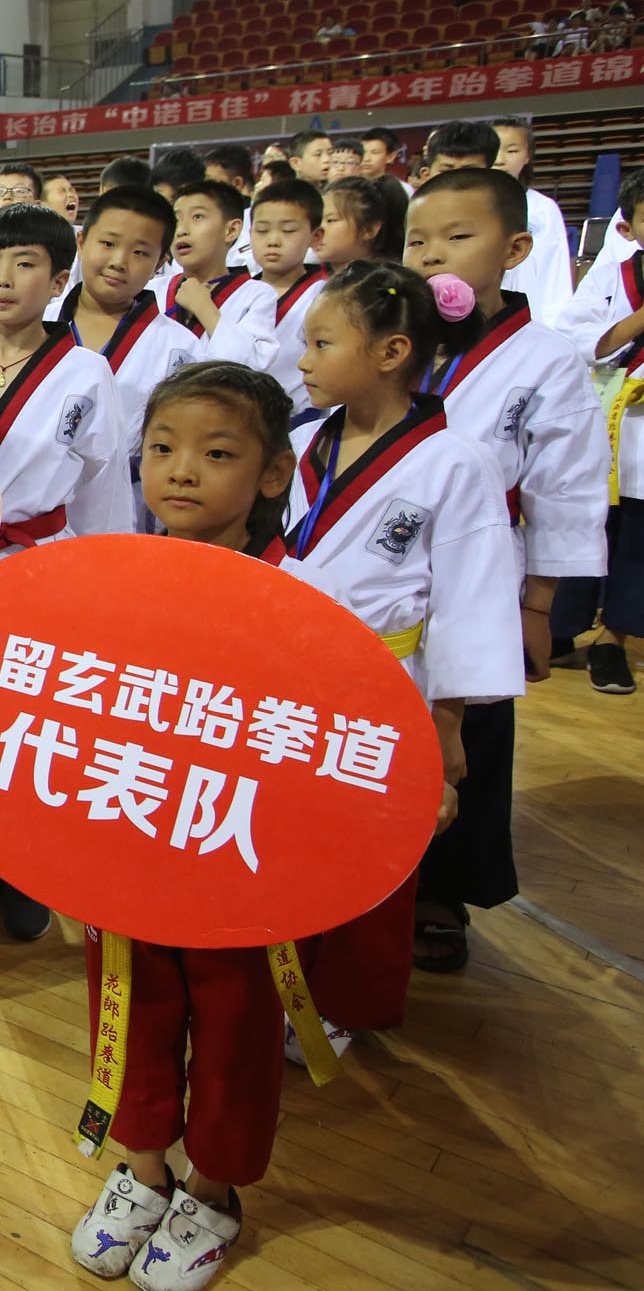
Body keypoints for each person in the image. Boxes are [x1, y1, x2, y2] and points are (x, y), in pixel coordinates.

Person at [70, 359, 300, 1290]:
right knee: (130, 1001)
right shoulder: (111, 577)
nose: (182, 471)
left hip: (240, 859)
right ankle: (143, 1167)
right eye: (162, 448)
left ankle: (213, 1187)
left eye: (216, 452)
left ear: (273, 473)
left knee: (240, 1018)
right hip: (128, 846)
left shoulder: (302, 594)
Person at [280, 261, 520, 1039]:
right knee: (289, 838)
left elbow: (473, 602)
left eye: (321, 343)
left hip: (384, 684)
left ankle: (341, 1005)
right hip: (286, 679)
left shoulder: (458, 461)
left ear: (390, 352)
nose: (304, 361)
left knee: (363, 852)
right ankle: (281, 978)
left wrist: (448, 728)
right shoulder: (304, 442)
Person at [400, 169, 607, 972]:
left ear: (514, 248)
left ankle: (444, 889)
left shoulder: (547, 361)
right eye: (419, 239)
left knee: (469, 728)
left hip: (485, 573)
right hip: (386, 565)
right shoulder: (396, 339)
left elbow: (565, 487)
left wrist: (538, 607)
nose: (434, 255)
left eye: (459, 237)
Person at [0, 203, 133, 939]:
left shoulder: (87, 372)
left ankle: (30, 867)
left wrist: (107, 592)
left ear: (59, 278)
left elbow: (104, 492)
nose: (3, 279)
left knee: (35, 731)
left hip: (43, 567)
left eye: (24, 264)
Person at [549, 167, 644, 692]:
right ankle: (562, 630)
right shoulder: (615, 275)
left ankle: (614, 638)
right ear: (628, 229)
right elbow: (576, 333)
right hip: (611, 417)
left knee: (638, 540)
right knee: (588, 525)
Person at [62, 186, 199, 525]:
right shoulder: (38, 323)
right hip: (39, 502)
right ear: (81, 242)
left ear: (160, 263)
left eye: (140, 252)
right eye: (107, 244)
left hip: (135, 507)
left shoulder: (180, 347)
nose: (119, 262)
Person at [164, 181, 275, 370]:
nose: (182, 230)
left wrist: (203, 307)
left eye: (197, 217)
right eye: (176, 220)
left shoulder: (257, 295)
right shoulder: (152, 290)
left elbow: (252, 366)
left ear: (231, 230)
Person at [248, 179, 330, 413]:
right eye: (262, 230)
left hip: (301, 417)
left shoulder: (325, 295)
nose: (273, 240)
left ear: (316, 236)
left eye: (288, 230)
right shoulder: (237, 293)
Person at [488, 118, 576, 324]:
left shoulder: (543, 209)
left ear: (527, 156)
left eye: (512, 151)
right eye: (494, 150)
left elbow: (555, 273)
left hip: (529, 315)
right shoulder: (465, 203)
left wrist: (555, 324)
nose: (500, 159)